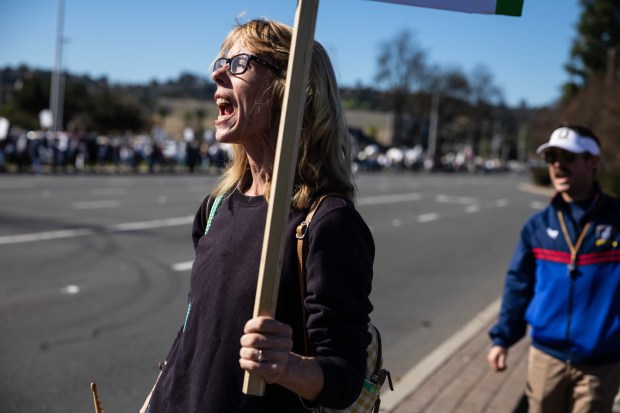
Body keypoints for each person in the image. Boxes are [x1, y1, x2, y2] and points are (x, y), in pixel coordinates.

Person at [140, 19, 374, 413]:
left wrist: (287, 366)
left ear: (289, 86)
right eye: (220, 62)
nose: (217, 73)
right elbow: (193, 334)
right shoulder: (216, 207)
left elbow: (345, 378)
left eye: (239, 63)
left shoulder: (327, 223)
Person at [487, 125, 620, 412]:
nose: (558, 165)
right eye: (552, 158)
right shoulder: (537, 226)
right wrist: (502, 338)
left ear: (592, 161)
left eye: (568, 157)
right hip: (546, 358)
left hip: (601, 363)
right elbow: (518, 286)